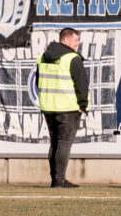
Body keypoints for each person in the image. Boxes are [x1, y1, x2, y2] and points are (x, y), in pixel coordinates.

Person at [37, 28, 89, 189]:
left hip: (48, 107)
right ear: (65, 40)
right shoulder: (72, 58)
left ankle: (55, 179)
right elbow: (82, 84)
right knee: (64, 143)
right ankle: (59, 181)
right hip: (68, 108)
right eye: (75, 40)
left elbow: (37, 81)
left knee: (55, 143)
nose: (77, 43)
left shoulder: (42, 57)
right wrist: (83, 105)